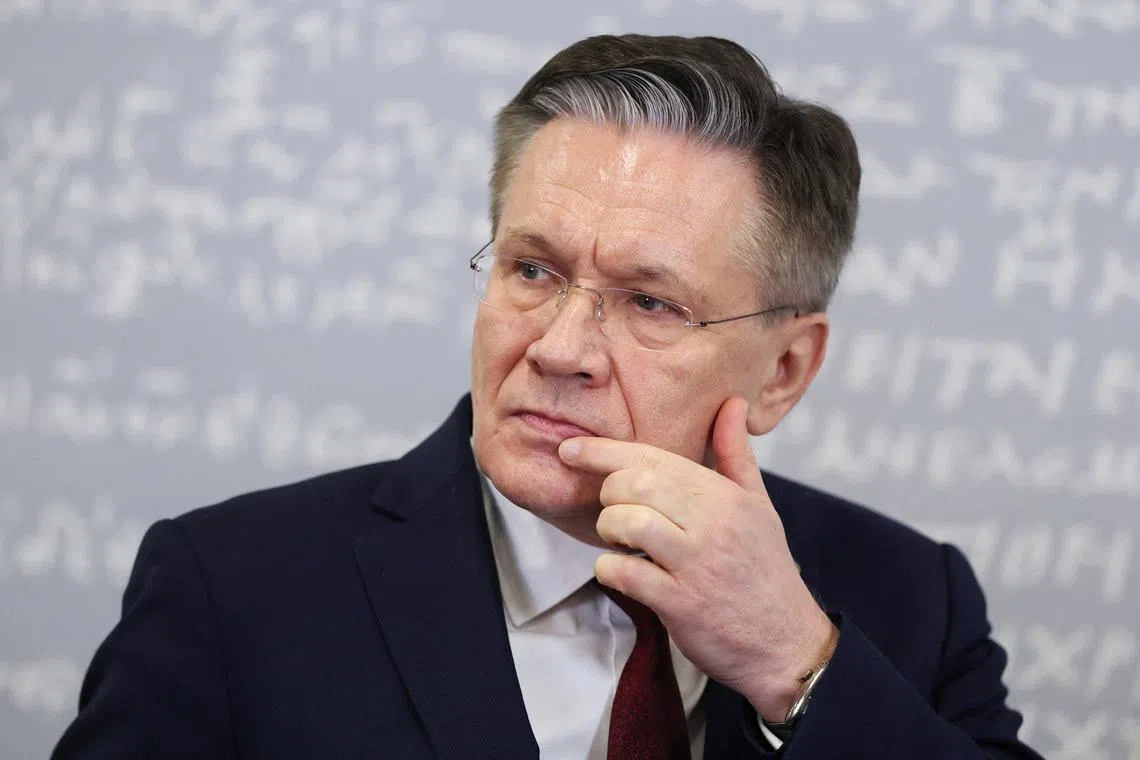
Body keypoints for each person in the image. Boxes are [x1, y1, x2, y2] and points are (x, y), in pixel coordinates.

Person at [52, 34, 1043, 759]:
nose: (560, 348)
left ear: (784, 370)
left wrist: (799, 666)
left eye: (650, 302)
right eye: (531, 270)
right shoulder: (232, 592)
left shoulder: (911, 600)